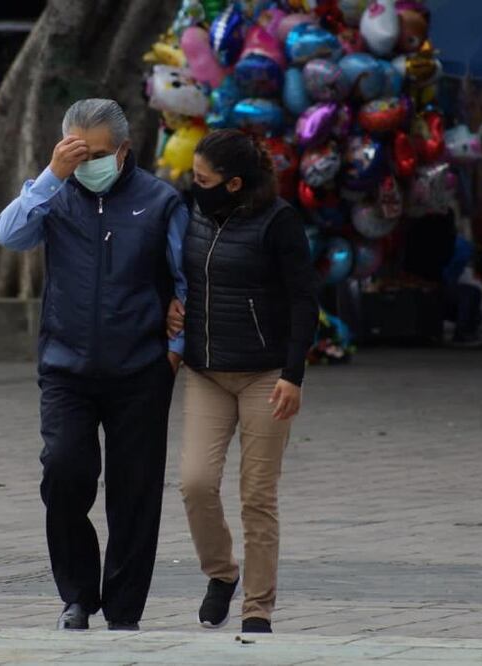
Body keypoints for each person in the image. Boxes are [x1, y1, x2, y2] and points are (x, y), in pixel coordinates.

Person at [0, 99, 188, 631]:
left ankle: (124, 611)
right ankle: (77, 596)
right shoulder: (53, 195)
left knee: (135, 493)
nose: (88, 165)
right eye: (77, 153)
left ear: (124, 150)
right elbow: (8, 235)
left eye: (98, 155)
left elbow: (186, 279)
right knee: (63, 471)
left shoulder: (160, 201)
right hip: (66, 367)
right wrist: (51, 176)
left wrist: (176, 348)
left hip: (141, 369)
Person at [165, 129, 318, 634]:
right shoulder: (188, 212)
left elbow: (304, 299)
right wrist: (171, 304)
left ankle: (257, 608)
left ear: (233, 183)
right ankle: (221, 573)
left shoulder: (278, 221)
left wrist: (293, 375)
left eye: (204, 179)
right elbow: (170, 270)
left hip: (265, 375)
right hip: (206, 370)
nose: (195, 185)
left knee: (257, 496)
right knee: (195, 483)